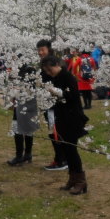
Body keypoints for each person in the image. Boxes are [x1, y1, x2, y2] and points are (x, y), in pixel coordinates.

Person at [41, 54, 90, 195]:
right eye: (46, 71)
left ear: (57, 65)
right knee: (65, 149)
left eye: (50, 69)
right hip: (61, 117)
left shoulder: (69, 77)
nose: (49, 73)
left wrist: (58, 93)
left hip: (72, 118)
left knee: (71, 149)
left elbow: (73, 97)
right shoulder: (54, 79)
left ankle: (81, 181)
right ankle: (73, 179)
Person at [37, 39, 67, 171]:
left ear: (49, 49)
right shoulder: (44, 64)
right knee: (53, 130)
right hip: (47, 102)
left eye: (42, 50)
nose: (40, 52)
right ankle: (61, 158)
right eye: (38, 50)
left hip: (54, 104)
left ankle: (61, 160)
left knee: (54, 131)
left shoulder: (54, 63)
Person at [6, 63, 39, 166]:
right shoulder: (27, 68)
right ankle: (27, 154)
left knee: (18, 128)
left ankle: (20, 156)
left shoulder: (26, 69)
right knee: (27, 128)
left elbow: (22, 84)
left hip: (24, 100)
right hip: (28, 101)